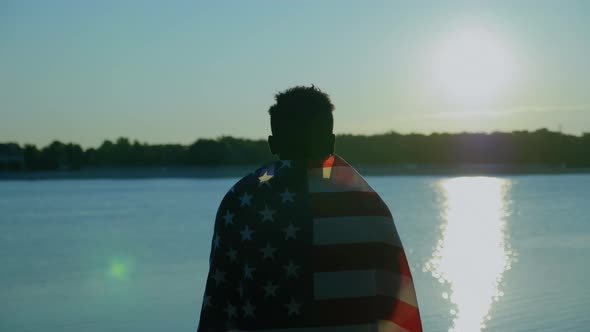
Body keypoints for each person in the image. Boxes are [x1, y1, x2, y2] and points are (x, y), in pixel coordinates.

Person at [197, 86, 422, 332]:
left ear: (273, 143)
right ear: (331, 141)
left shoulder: (241, 200)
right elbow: (392, 296)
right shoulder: (368, 205)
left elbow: (221, 298)